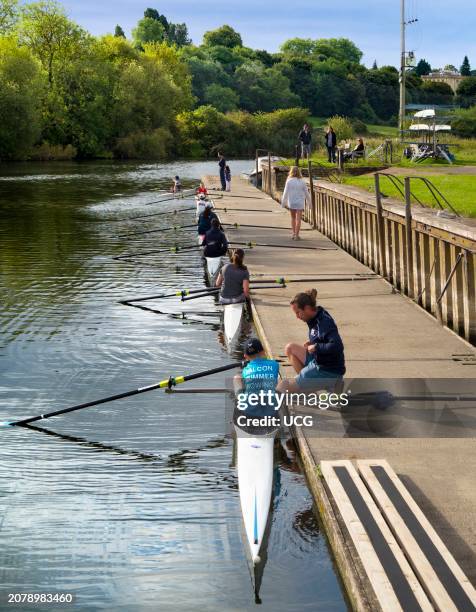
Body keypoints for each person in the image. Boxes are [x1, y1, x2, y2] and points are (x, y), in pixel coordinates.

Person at [277, 289, 345, 393]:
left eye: (298, 313)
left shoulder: (324, 322)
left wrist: (316, 347)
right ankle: (306, 384)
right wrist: (312, 342)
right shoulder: (315, 315)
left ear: (307, 308)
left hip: (326, 370)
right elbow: (322, 336)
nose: (297, 317)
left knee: (283, 387)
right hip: (319, 360)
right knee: (290, 348)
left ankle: (329, 383)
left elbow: (337, 346)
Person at [233, 338, 280, 434]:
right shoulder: (274, 364)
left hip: (249, 413)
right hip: (270, 412)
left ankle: (240, 401)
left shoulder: (246, 370)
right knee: (283, 382)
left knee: (237, 378)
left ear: (245, 356)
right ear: (263, 352)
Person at [280, 166, 311, 240]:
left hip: (292, 202)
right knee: (298, 219)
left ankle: (293, 234)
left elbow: (285, 193)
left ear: (291, 172)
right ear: (299, 172)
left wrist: (283, 203)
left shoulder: (289, 181)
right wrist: (310, 204)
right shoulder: (302, 181)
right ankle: (297, 235)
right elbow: (307, 194)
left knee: (293, 218)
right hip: (300, 203)